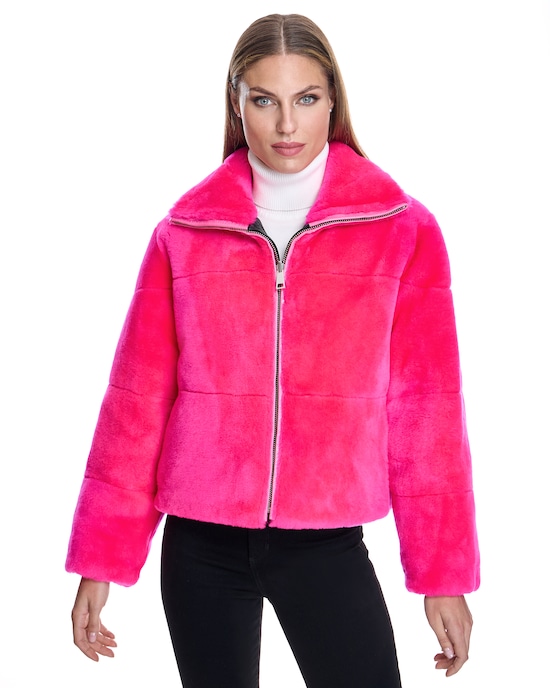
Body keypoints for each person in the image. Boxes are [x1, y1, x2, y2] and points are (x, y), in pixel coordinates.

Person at [67, 13, 480, 687]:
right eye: (264, 100)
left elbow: (427, 413)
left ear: (333, 100)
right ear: (237, 104)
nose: (287, 124)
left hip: (325, 545)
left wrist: (442, 576)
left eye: (306, 98)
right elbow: (136, 405)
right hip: (200, 544)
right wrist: (100, 558)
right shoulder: (184, 233)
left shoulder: (401, 231)